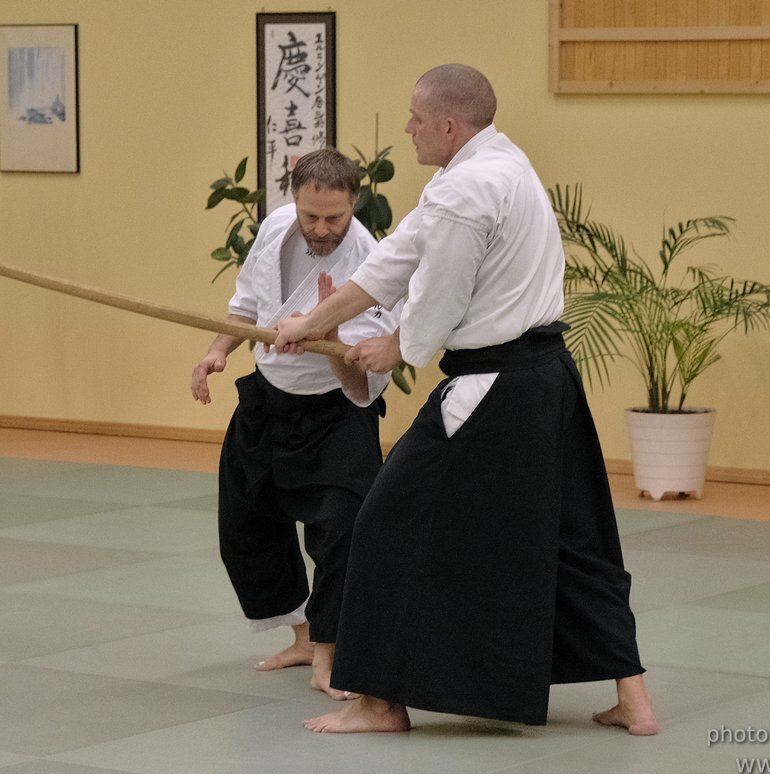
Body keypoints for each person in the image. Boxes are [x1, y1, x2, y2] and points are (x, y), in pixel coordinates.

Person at [273, 65, 658, 735]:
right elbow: (393, 263)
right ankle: (635, 699)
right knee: (575, 536)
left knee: (386, 521)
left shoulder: (464, 191)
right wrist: (308, 324)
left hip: (491, 388)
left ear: (449, 125)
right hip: (548, 380)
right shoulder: (497, 164)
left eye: (415, 118)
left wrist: (397, 348)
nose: (407, 128)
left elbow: (442, 296)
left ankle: (379, 701)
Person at [191, 147, 399, 699]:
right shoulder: (277, 228)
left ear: (355, 202)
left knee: (341, 530)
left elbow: (360, 385)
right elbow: (245, 306)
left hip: (336, 413)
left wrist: (324, 338)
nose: (322, 227)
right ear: (295, 200)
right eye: (312, 215)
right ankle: (305, 636)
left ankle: (330, 653)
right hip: (267, 400)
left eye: (335, 216)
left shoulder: (372, 263)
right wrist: (218, 353)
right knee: (245, 523)